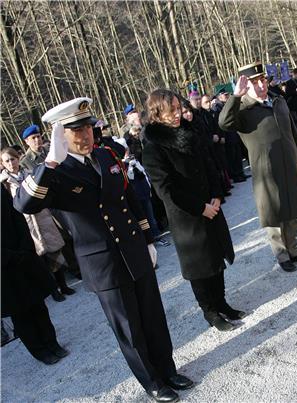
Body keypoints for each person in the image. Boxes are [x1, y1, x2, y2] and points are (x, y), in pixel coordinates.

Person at [13, 97, 193, 403]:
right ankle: (152, 382)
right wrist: (51, 162)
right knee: (129, 329)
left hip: (134, 249)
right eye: (76, 131)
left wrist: (147, 239)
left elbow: (129, 199)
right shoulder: (55, 172)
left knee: (153, 317)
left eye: (88, 128)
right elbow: (23, 204)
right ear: (61, 136)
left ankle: (168, 369)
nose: (86, 136)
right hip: (104, 263)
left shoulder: (107, 155)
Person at [142, 89, 244, 332]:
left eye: (179, 108)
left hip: (211, 206)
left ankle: (221, 302)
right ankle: (209, 311)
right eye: (172, 111)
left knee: (216, 258)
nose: (178, 114)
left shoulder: (189, 132)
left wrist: (217, 196)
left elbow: (209, 165)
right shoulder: (153, 148)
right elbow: (165, 190)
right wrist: (201, 208)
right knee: (200, 266)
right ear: (157, 114)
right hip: (188, 216)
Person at [219, 62, 297, 272]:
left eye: (262, 80)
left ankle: (294, 249)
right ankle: (281, 255)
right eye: (255, 82)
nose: (261, 85)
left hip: (288, 162)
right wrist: (235, 97)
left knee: (291, 206)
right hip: (266, 169)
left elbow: (292, 131)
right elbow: (224, 123)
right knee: (273, 212)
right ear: (245, 86)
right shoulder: (242, 108)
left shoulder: (276, 99)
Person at [1, 186, 68, 365]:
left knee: (38, 304)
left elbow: (16, 215)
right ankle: (40, 350)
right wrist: (8, 256)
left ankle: (52, 342)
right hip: (4, 269)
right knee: (20, 313)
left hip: (23, 255)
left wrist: (25, 245)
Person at [1, 147, 76, 301]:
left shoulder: (30, 173)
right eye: (6, 161)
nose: (11, 163)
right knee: (39, 258)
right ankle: (53, 290)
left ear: (18, 158)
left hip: (42, 216)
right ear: (2, 163)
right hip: (25, 223)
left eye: (13, 159)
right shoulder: (4, 184)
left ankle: (63, 285)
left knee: (54, 252)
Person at [212, 90, 248, 183]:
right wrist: (222, 136)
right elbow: (219, 123)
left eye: (227, 95)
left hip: (233, 134)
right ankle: (236, 175)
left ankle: (240, 173)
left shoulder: (225, 105)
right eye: (225, 95)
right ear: (219, 97)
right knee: (231, 156)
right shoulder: (217, 107)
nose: (227, 96)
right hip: (227, 135)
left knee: (237, 154)